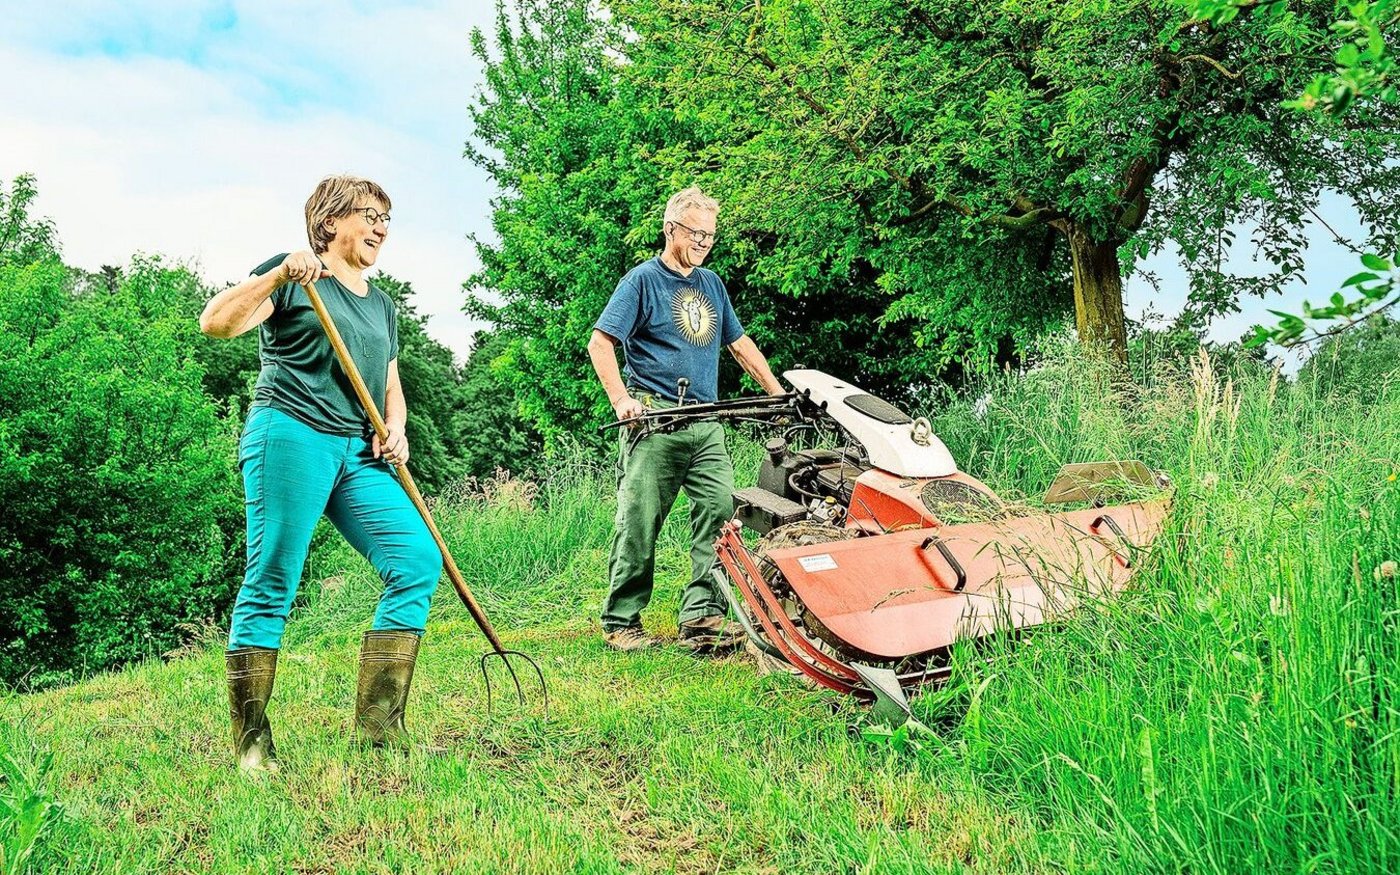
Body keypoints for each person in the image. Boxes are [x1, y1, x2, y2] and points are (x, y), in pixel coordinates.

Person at [199, 175, 441, 771]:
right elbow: (216, 323)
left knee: (416, 559)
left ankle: (379, 732)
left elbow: (388, 381)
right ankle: (253, 744)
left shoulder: (381, 303)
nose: (382, 226)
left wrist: (397, 428)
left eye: (387, 217)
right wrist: (280, 273)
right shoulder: (293, 276)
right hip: (291, 434)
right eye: (370, 214)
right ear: (331, 221)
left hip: (357, 452)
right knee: (275, 574)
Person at [588, 186, 784, 653]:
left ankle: (702, 616)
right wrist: (621, 400)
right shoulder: (642, 281)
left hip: (706, 421)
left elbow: (739, 344)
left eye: (710, 236)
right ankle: (621, 621)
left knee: (721, 513)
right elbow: (600, 342)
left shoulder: (712, 284)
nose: (702, 242)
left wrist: (776, 392)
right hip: (654, 420)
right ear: (670, 228)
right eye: (695, 232)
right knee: (640, 521)